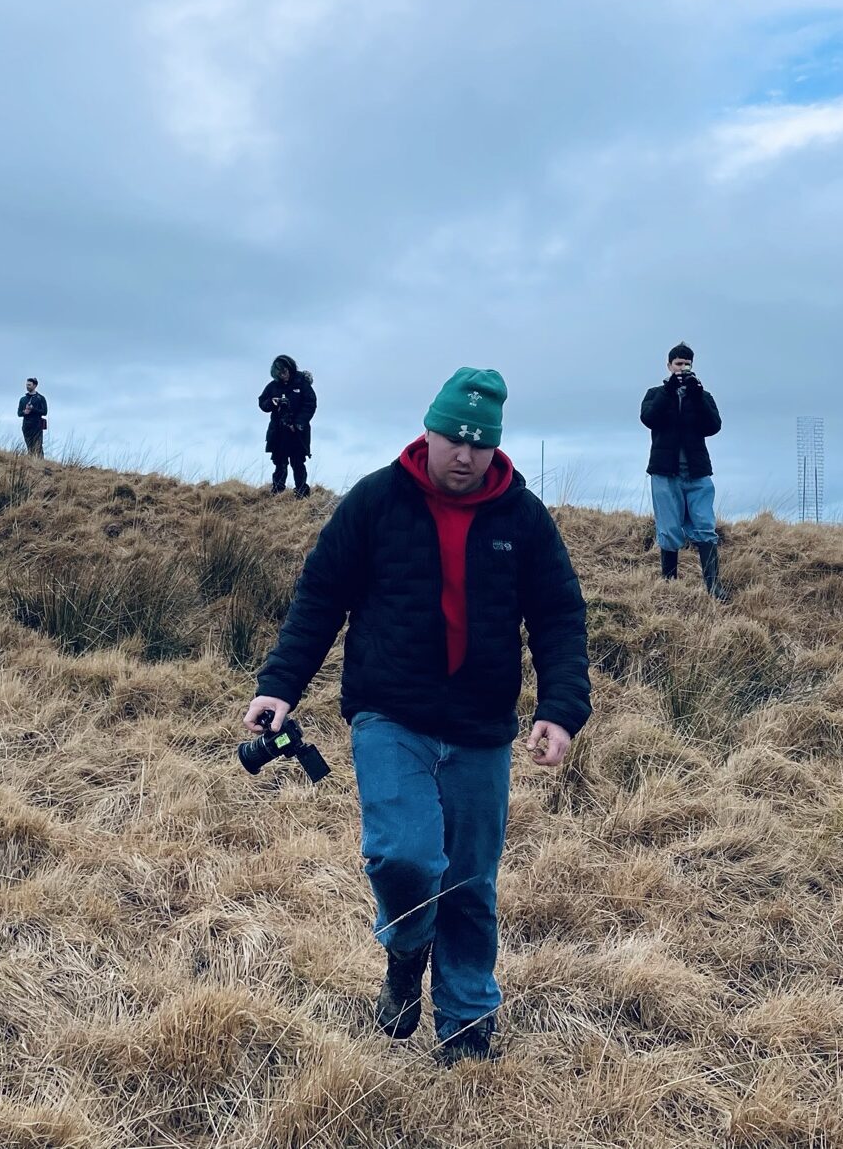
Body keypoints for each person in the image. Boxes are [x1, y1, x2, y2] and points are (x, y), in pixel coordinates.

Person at [243, 368, 591, 1066]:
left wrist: (561, 708)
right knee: (403, 853)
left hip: (482, 727)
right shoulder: (376, 500)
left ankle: (465, 1026)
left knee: (468, 880)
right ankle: (406, 951)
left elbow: (558, 615)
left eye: (479, 443)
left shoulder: (522, 518)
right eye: (451, 438)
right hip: (390, 714)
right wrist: (281, 684)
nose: (463, 455)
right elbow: (320, 596)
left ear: (495, 446)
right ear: (427, 431)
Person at [640, 342, 725, 596]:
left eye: (687, 364)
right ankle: (669, 587)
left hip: (697, 472)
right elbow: (648, 418)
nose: (682, 368)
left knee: (705, 526)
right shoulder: (656, 393)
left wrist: (698, 396)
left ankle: (714, 587)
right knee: (668, 528)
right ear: (669, 366)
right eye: (678, 364)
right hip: (665, 472)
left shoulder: (702, 396)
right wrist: (669, 390)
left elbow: (713, 426)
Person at [259, 355, 317, 497]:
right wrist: (272, 403)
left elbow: (310, 404)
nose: (283, 376)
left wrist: (298, 423)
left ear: (290, 368)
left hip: (297, 432)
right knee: (280, 463)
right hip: (278, 432)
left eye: (284, 372)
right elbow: (262, 402)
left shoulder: (302, 382)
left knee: (298, 463)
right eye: (279, 374)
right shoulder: (273, 386)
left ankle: (301, 493)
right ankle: (277, 492)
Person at [17, 378, 47, 458]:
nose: (27, 386)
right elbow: (19, 413)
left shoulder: (41, 398)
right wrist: (25, 412)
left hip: (37, 425)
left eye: (29, 385)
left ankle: (40, 463)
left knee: (38, 446)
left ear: (35, 385)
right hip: (26, 426)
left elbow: (44, 412)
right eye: (27, 385)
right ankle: (31, 463)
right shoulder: (23, 399)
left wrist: (33, 409)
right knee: (29, 447)